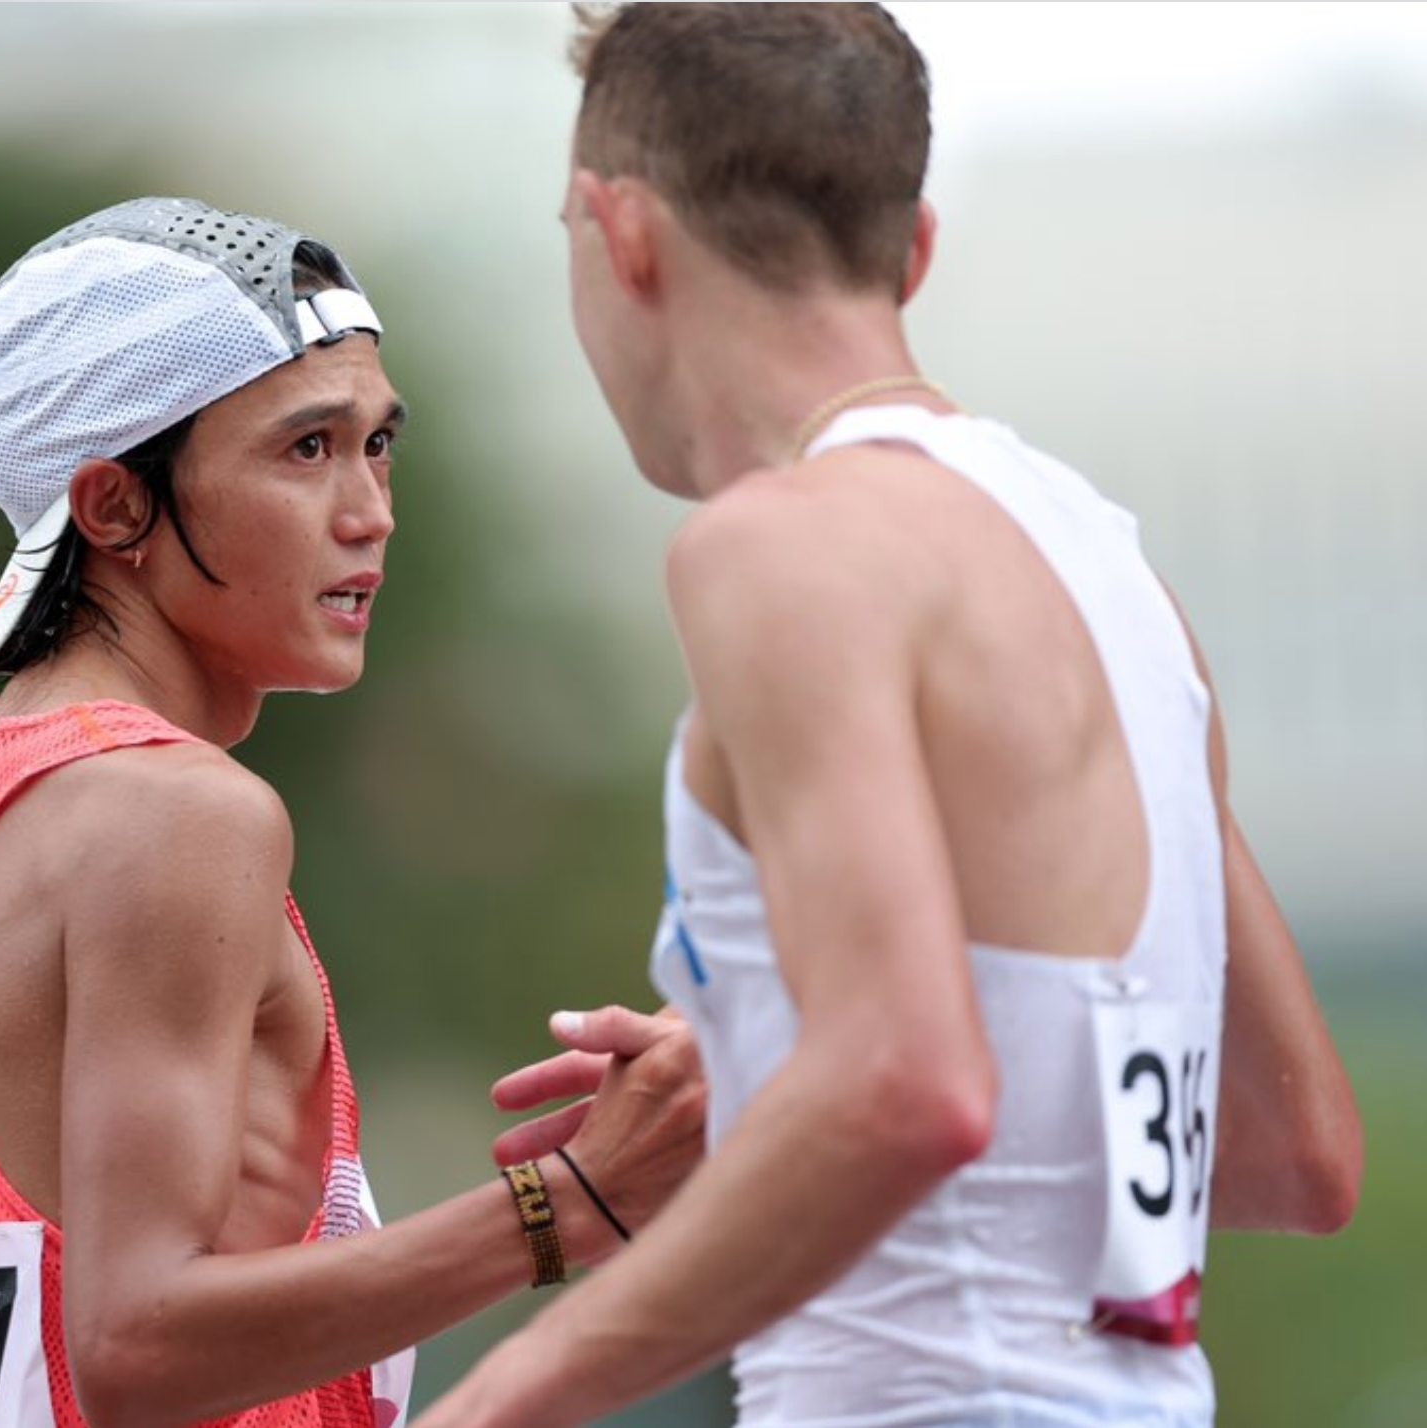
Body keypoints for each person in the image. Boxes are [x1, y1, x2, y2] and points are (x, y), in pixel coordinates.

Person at [412, 6, 1364, 1428]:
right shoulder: (1105, 567)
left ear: (622, 234)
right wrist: (771, 1094)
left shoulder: (780, 547)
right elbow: (1295, 1149)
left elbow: (904, 1088)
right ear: (911, 250)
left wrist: (492, 1403)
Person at [0, 195, 703, 1428]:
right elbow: (135, 1346)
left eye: (378, 445)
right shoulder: (178, 814)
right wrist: (574, 1202)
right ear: (114, 507)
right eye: (307, 449)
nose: (371, 511)